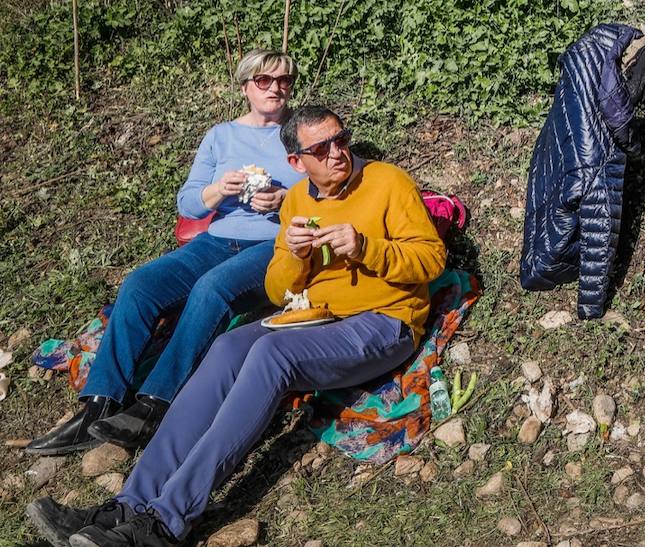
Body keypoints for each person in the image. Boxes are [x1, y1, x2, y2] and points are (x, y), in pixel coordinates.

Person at [27, 105, 446, 547]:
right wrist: (296, 256)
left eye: (340, 140)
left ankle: (165, 522)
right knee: (227, 347)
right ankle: (130, 504)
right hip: (312, 316)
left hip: (383, 322)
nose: (337, 153)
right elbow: (278, 287)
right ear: (296, 162)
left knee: (270, 355)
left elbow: (431, 261)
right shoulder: (300, 199)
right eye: (320, 148)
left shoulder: (387, 182)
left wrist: (366, 247)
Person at [25, 51, 301, 458]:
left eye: (284, 81)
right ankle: (98, 406)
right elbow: (190, 204)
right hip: (216, 241)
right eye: (265, 80)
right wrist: (218, 191)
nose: (276, 88)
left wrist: (283, 199)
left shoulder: (300, 132)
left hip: (272, 246)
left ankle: (154, 405)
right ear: (245, 86)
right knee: (140, 285)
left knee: (211, 288)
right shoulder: (220, 136)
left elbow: (326, 189)